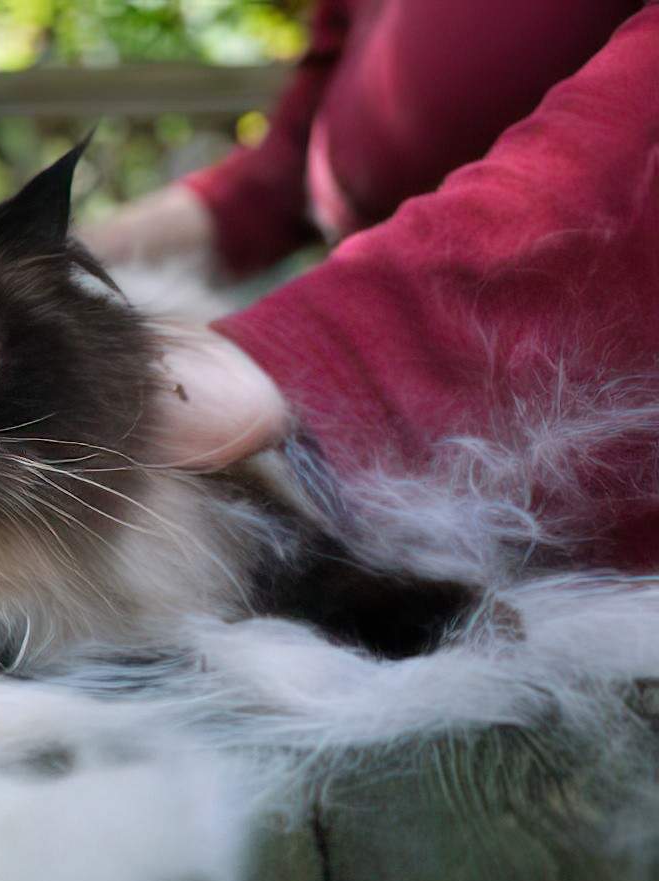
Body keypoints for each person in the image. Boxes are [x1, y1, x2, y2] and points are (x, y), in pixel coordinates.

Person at [82, 0, 659, 568]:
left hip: (597, 520)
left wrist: (308, 348)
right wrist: (41, 253)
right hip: (400, 497)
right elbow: (289, 170)